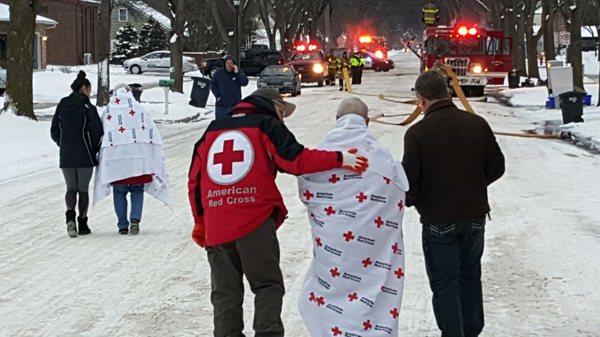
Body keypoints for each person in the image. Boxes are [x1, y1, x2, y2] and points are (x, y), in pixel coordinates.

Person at [188, 89, 369, 337]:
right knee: (267, 285)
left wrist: (201, 222)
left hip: (217, 225)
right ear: (273, 106)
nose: (282, 119)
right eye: (282, 112)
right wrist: (340, 158)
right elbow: (294, 159)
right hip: (253, 221)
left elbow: (195, 181)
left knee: (225, 293)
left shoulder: (212, 130)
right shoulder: (265, 124)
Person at [402, 70, 505, 337]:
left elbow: (409, 183)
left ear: (421, 100)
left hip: (438, 219)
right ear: (447, 93)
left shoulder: (417, 134)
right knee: (470, 275)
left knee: (445, 282)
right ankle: (472, 330)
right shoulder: (476, 124)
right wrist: (473, 184)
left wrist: (412, 200)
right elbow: (497, 166)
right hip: (474, 216)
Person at [297, 97, 409, 337]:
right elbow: (399, 191)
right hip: (373, 248)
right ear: (367, 122)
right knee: (374, 294)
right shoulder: (381, 156)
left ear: (337, 121)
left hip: (333, 245)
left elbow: (306, 188)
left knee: (331, 297)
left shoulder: (323, 152)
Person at [93, 84, 171, 235]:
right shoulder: (140, 110)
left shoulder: (110, 111)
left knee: (119, 192)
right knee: (137, 191)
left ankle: (122, 224)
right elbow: (151, 134)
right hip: (139, 162)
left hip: (117, 162)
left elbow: (101, 133)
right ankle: (135, 219)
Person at [51, 71, 103, 238]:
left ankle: (70, 218)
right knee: (83, 189)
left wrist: (62, 143)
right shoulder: (88, 107)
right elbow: (97, 131)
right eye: (89, 89)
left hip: (66, 153)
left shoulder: (62, 104)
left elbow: (54, 130)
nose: (90, 92)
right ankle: (83, 222)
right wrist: (94, 148)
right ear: (84, 88)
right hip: (85, 154)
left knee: (71, 188)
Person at [210, 55, 249, 120]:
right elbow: (212, 84)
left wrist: (237, 73)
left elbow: (245, 83)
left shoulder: (238, 72)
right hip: (221, 105)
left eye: (231, 63)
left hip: (235, 105)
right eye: (227, 63)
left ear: (234, 64)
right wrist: (218, 96)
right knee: (220, 125)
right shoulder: (219, 72)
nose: (229, 64)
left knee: (233, 126)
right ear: (224, 64)